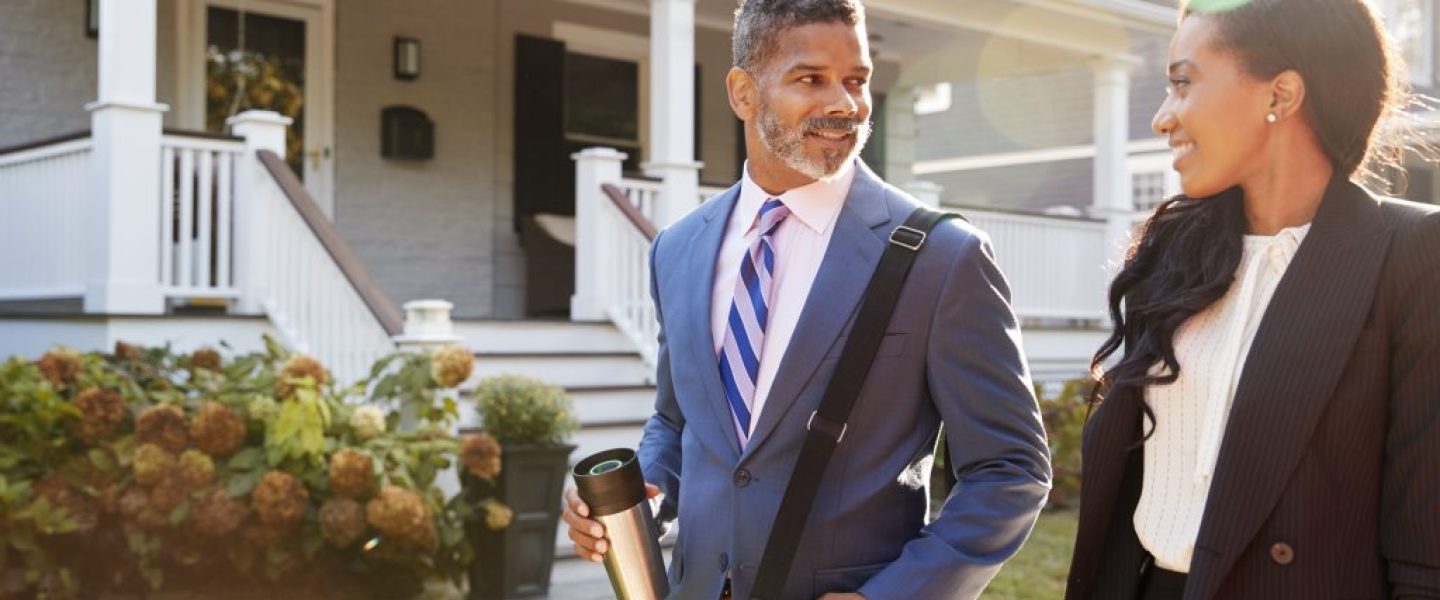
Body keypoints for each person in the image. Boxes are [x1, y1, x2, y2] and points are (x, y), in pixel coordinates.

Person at [561, 1, 1051, 598]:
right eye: (811, 78)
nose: (845, 104)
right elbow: (676, 419)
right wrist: (640, 499)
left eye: (856, 80)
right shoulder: (677, 249)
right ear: (743, 93)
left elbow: (1010, 470)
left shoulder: (943, 256)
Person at [1065, 1, 1440, 598]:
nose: (1162, 118)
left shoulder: (1411, 250)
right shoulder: (1173, 255)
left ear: (1281, 94)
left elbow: (1426, 552)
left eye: (1183, 83)